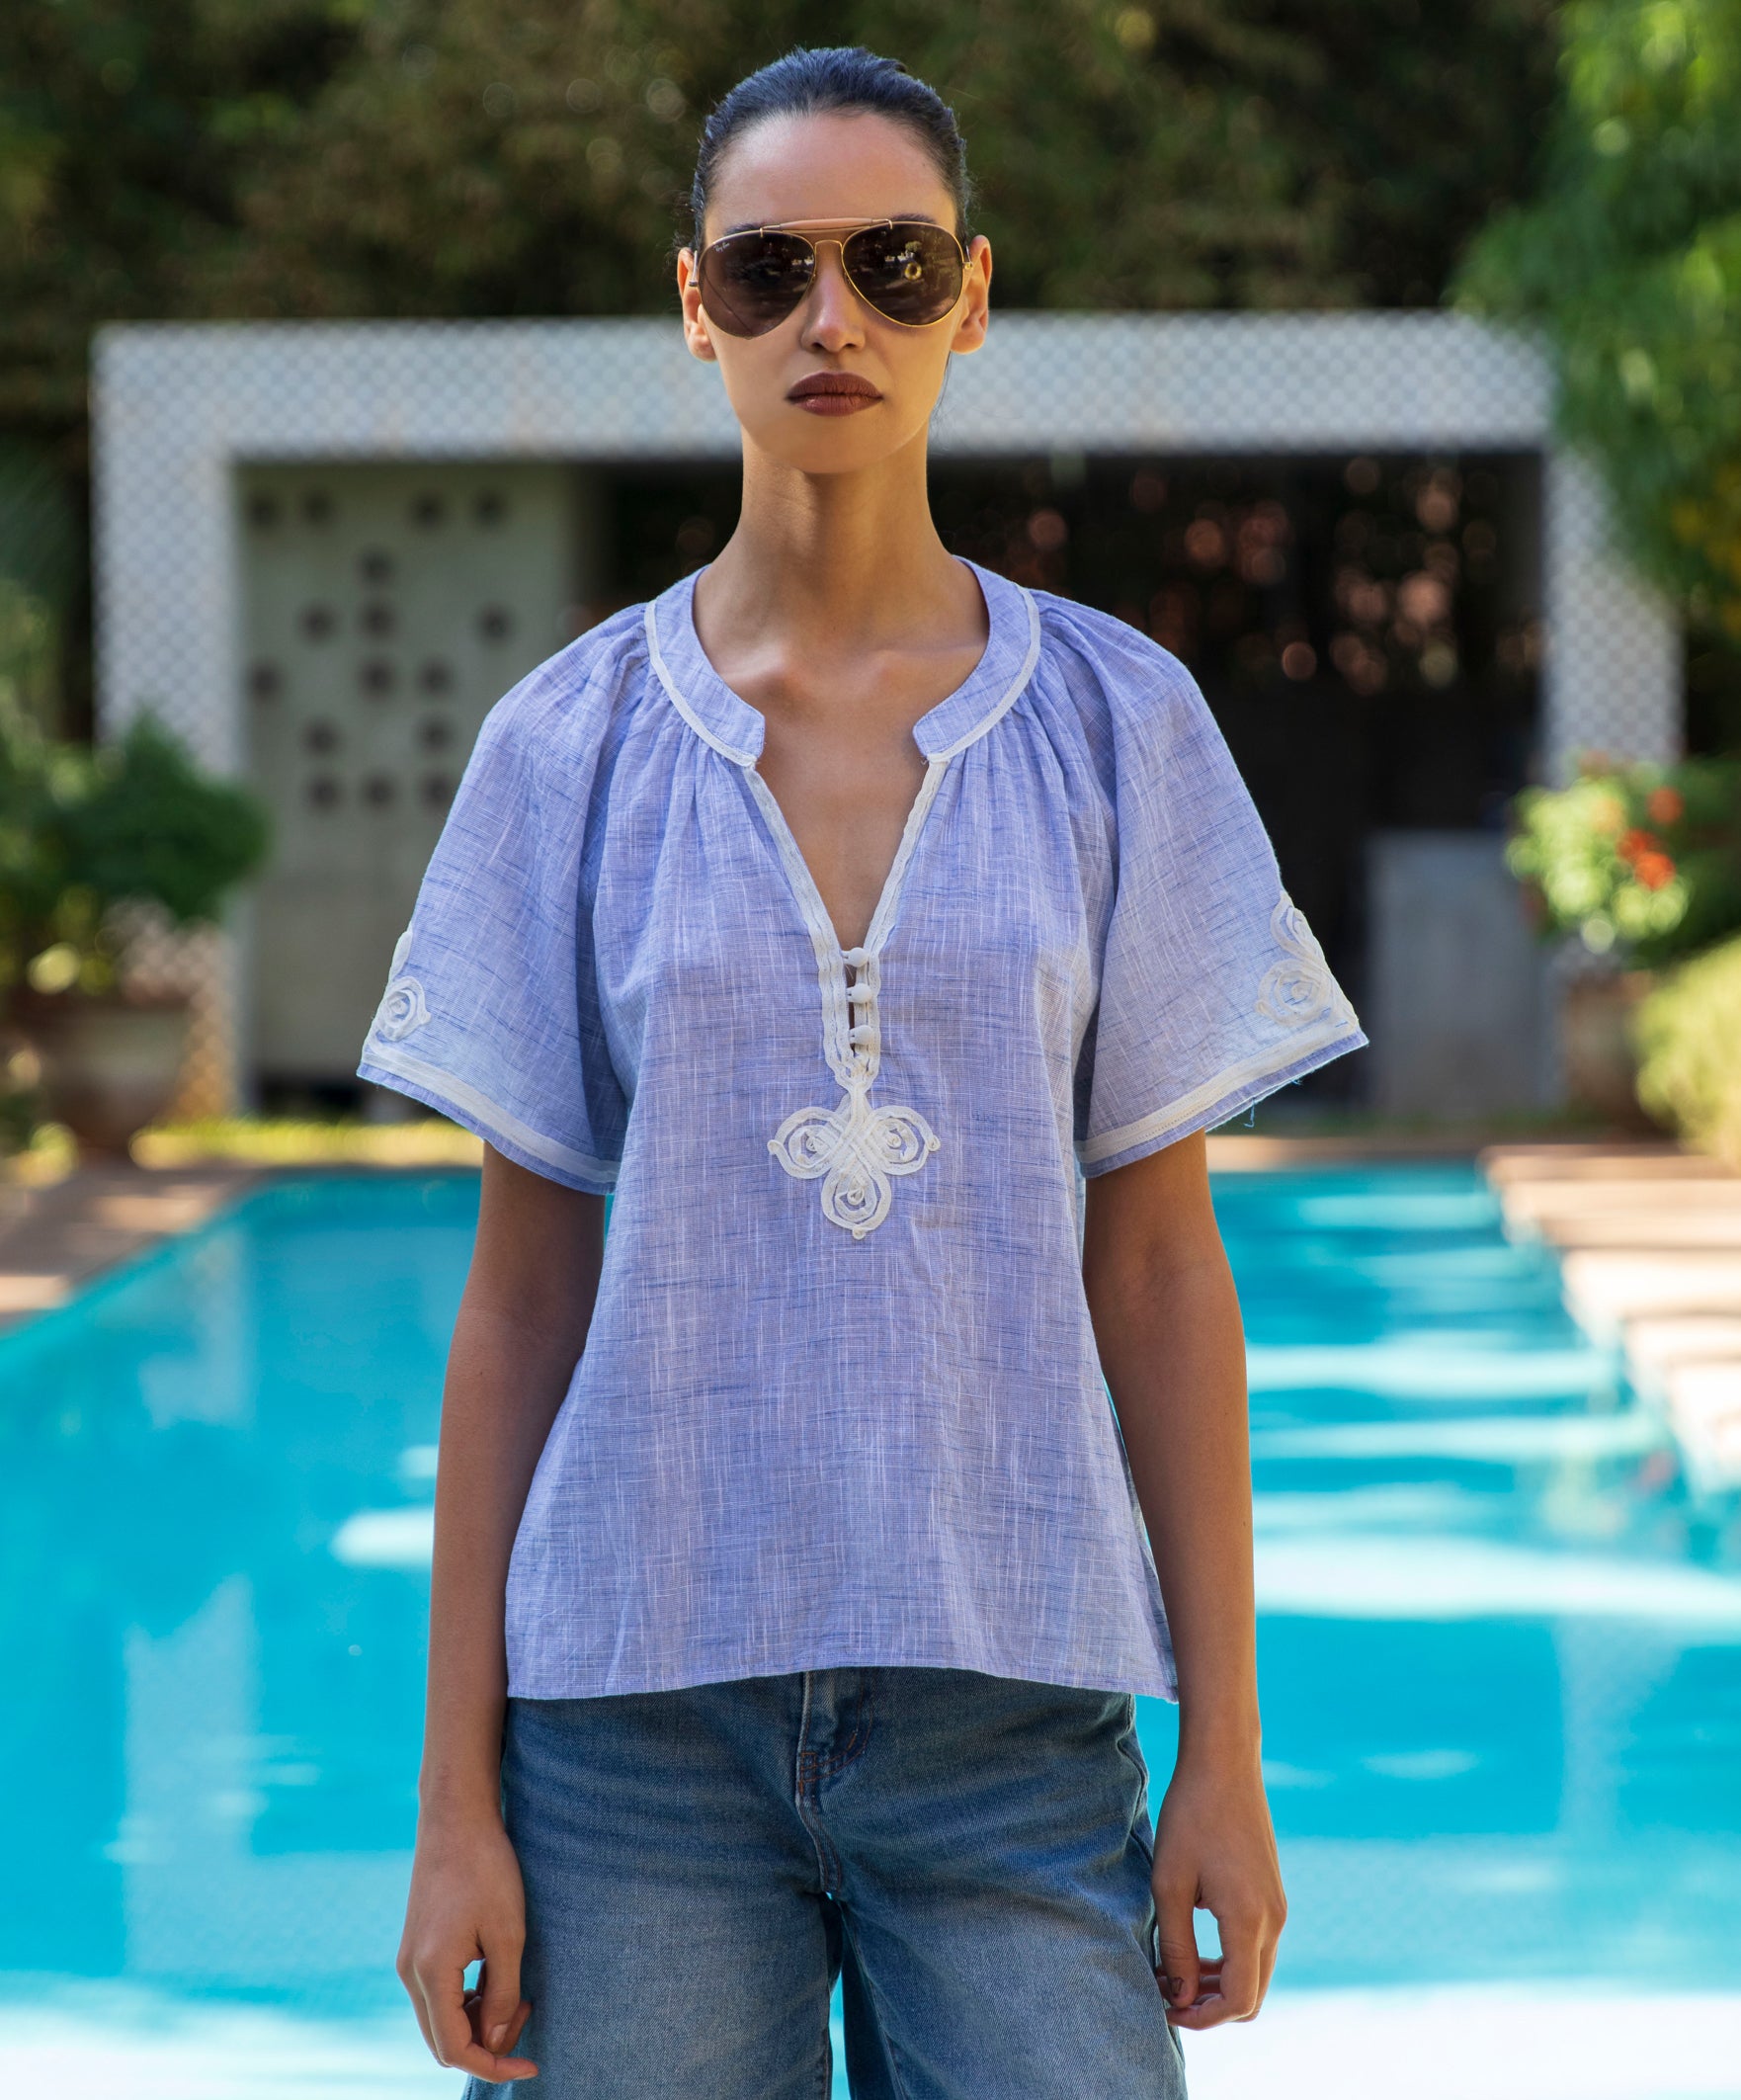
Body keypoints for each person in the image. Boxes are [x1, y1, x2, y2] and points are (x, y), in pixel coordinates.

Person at [360, 42, 1366, 2100]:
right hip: (626, 1735)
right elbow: (521, 1297)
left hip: (1012, 1723)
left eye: (890, 266)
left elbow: (1162, 1274)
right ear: (693, 303)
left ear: (970, 296)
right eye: (767, 271)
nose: (830, 319)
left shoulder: (1114, 723)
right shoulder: (565, 750)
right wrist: (453, 1803)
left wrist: (1226, 1761)